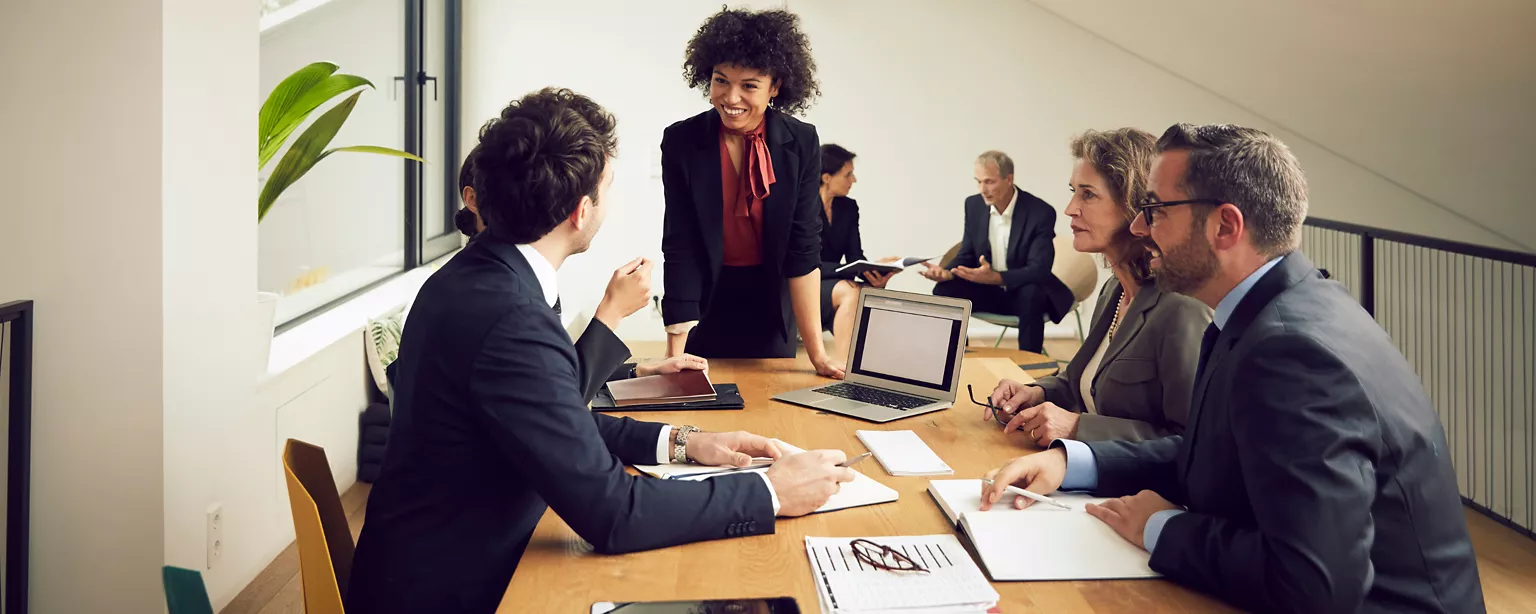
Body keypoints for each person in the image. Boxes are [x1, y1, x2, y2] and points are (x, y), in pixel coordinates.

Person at [348, 89, 856, 614]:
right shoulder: (510, 317)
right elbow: (614, 514)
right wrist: (771, 492)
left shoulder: (482, 275)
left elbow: (556, 419)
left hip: (440, 559)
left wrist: (685, 443)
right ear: (581, 209)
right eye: (608, 186)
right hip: (457, 588)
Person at [979, 124, 1483, 612]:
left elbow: (1313, 586)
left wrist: (1161, 527)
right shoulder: (1265, 310)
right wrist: (1073, 463)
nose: (1139, 226)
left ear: (1226, 225)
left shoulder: (1291, 351)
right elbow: (1210, 454)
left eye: (1153, 210)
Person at [987, 129, 1211, 445]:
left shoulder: (1182, 307)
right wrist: (1035, 392)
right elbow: (1081, 383)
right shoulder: (1113, 290)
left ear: (1134, 204)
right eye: (1073, 191)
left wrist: (1078, 428)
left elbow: (1191, 442)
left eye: (1088, 194)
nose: (1070, 208)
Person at [659, 7, 844, 378]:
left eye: (749, 85)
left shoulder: (802, 141)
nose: (731, 97)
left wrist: (818, 355)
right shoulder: (681, 140)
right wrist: (672, 352)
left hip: (770, 302)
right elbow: (680, 245)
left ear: (775, 86)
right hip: (707, 301)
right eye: (721, 80)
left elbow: (803, 247)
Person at [454, 144, 708, 403]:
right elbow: (554, 401)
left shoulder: (517, 271)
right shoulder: (500, 296)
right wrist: (611, 312)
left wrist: (639, 371)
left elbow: (546, 377)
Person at [919, 151, 1071, 353]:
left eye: (989, 182)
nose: (983, 189)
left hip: (1023, 292)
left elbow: (1039, 270)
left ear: (1009, 179)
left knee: (1032, 294)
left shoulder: (1040, 212)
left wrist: (996, 277)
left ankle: (1032, 370)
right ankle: (954, 360)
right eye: (978, 182)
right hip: (989, 292)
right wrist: (947, 273)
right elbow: (967, 253)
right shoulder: (973, 205)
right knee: (944, 291)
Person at [815, 144, 895, 361]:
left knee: (875, 293)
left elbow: (855, 256)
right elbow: (802, 263)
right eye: (848, 174)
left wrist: (875, 270)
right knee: (852, 292)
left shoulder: (848, 208)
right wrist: (846, 272)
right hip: (803, 283)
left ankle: (874, 367)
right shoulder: (800, 207)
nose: (854, 180)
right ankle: (844, 367)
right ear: (826, 177)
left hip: (834, 280)